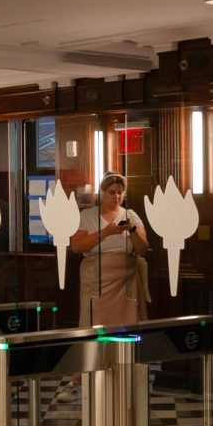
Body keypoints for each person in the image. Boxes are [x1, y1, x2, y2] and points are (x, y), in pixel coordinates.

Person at [56, 172, 149, 402]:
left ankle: (125, 375)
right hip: (95, 278)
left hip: (124, 279)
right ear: (102, 194)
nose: (116, 197)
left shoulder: (130, 215)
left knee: (125, 326)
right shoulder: (87, 215)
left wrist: (132, 231)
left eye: (120, 192)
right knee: (91, 325)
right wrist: (107, 232)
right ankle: (79, 378)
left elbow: (143, 248)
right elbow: (77, 247)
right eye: (111, 192)